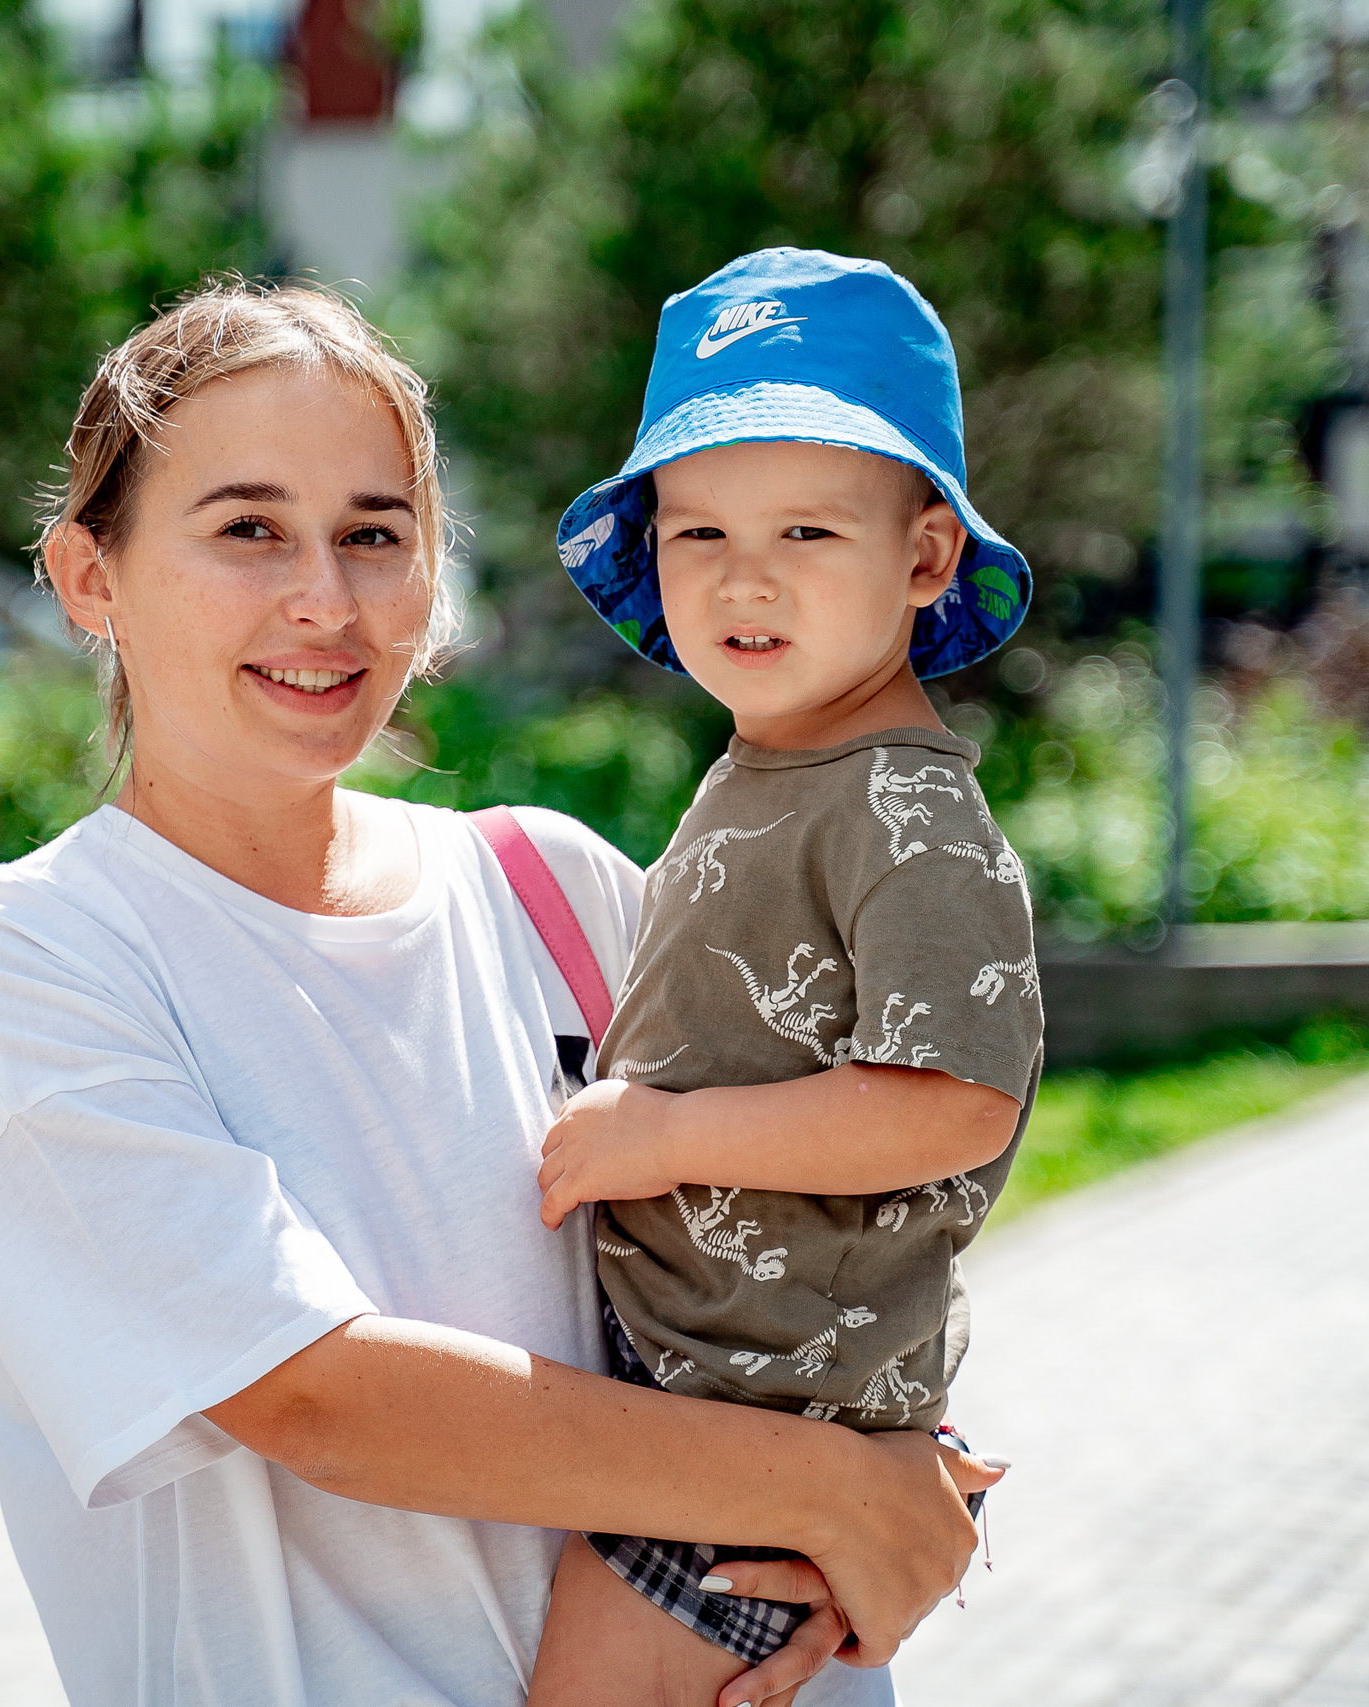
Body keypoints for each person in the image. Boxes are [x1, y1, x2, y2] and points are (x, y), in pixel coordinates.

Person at [0, 282, 999, 1707]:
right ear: (88, 576)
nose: (325, 600)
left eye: (374, 534)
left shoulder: (560, 889)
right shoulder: (24, 964)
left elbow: (831, 1227)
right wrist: (838, 1491)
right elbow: (316, 1394)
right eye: (248, 530)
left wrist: (905, 1461)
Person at [523, 249, 1043, 1705]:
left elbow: (950, 1103)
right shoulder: (778, 765)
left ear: (924, 558)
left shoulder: (906, 810)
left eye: (807, 528)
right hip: (713, 1390)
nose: (743, 577)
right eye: (697, 531)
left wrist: (663, 1136)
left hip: (763, 1424)